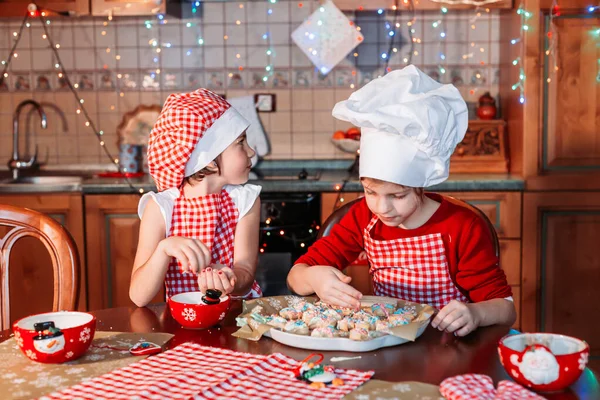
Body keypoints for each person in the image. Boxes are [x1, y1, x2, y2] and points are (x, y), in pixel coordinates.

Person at [287, 65, 516, 336]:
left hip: (447, 346)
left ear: (420, 186)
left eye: (398, 196)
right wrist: (314, 278)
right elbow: (295, 277)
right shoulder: (362, 216)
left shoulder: (461, 226)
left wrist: (476, 313)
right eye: (370, 192)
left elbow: (506, 309)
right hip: (385, 341)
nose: (382, 208)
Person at [130, 88, 262, 307]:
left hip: (236, 319)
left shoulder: (245, 200)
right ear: (209, 160)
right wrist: (164, 249)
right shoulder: (162, 207)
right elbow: (138, 296)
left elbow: (246, 272)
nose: (251, 152)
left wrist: (231, 279)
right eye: (240, 143)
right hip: (181, 324)